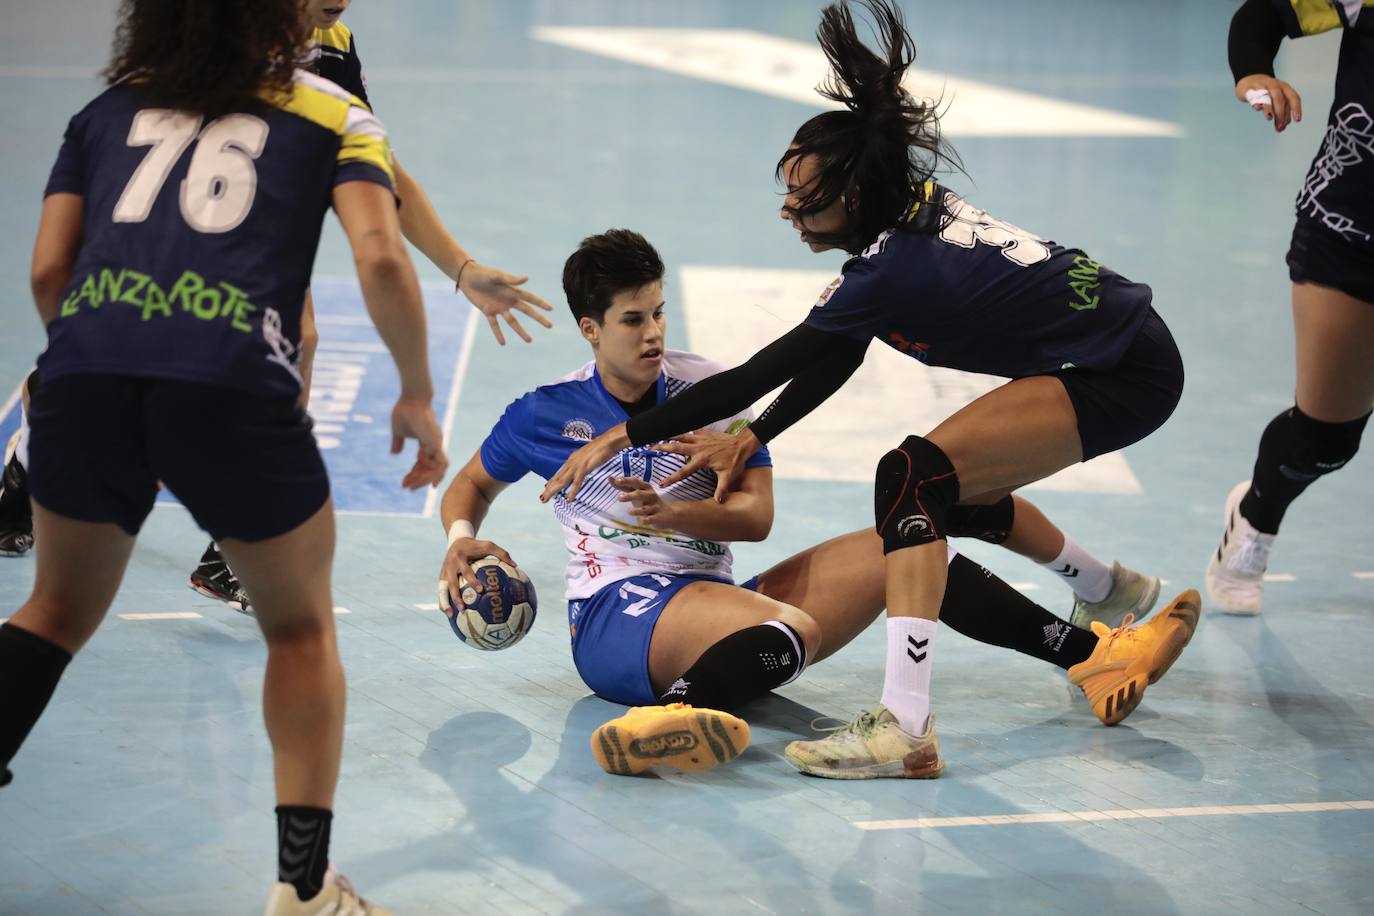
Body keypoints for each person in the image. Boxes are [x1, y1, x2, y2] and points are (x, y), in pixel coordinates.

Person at [540, 1, 1199, 780]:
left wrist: (628, 434)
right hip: (1123, 351)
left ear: (857, 194)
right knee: (941, 490)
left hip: (1120, 370)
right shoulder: (902, 231)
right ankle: (1105, 619)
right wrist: (755, 437)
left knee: (912, 479)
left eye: (807, 197)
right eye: (787, 187)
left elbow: (764, 370)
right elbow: (838, 356)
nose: (790, 208)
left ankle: (905, 726)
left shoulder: (892, 268)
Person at [439, 229, 1198, 778]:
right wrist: (461, 537)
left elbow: (757, 520)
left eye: (659, 312)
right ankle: (668, 715)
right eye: (633, 320)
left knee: (904, 548)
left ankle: (1096, 659)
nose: (653, 333)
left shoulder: (711, 390)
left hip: (712, 597)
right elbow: (468, 485)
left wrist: (676, 516)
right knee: (788, 625)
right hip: (614, 616)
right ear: (590, 329)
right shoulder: (546, 414)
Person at [0, 0, 450, 911]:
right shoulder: (331, 109)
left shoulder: (108, 108)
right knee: (298, 629)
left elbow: (50, 271)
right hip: (234, 387)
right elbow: (383, 260)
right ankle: (303, 890)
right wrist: (414, 393)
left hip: (84, 378)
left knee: (50, 611)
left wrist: (106, 364)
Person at [188, 0, 557, 612]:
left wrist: (460, 269)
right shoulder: (215, 39)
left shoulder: (334, 41)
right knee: (129, 376)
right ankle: (33, 458)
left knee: (296, 343)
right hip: (175, 228)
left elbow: (373, 163)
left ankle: (235, 545)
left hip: (264, 238)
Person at [1206, 0, 1373, 615]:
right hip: (1351, 232)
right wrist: (1253, 72)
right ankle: (1255, 517)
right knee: (1327, 439)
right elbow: (1266, 13)